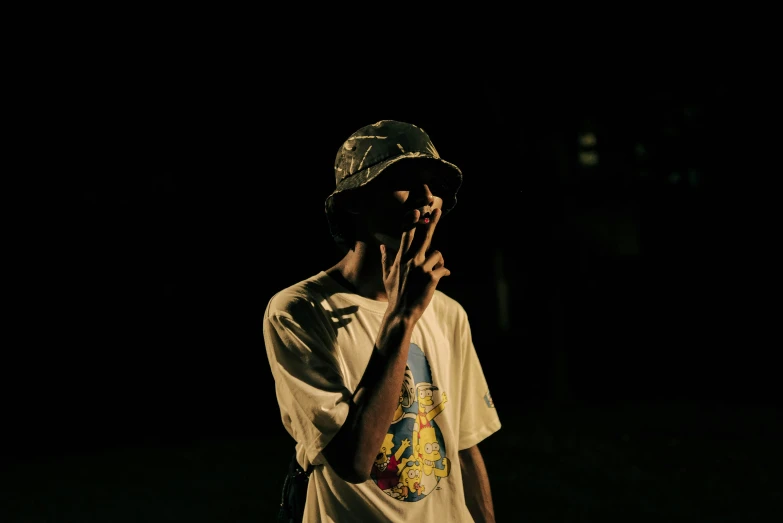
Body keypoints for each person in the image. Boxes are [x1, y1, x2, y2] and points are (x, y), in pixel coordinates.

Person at [263, 120, 502, 522]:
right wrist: (402, 316)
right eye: (407, 180)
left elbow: (463, 444)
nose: (427, 198)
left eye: (434, 184)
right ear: (354, 201)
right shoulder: (299, 311)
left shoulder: (448, 312)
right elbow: (354, 461)